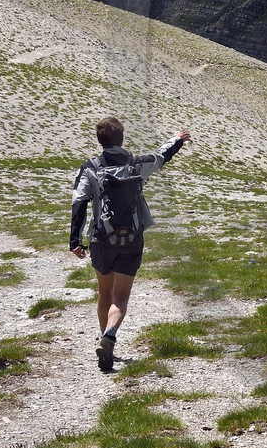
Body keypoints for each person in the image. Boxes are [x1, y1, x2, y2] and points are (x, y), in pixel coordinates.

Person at [69, 116, 190, 371]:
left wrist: (74, 240)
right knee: (120, 296)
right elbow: (161, 156)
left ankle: (105, 341)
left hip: (102, 239)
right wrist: (177, 140)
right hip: (132, 238)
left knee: (104, 292)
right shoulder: (137, 165)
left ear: (100, 140)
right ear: (121, 138)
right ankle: (111, 334)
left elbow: (79, 202)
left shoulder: (90, 167)